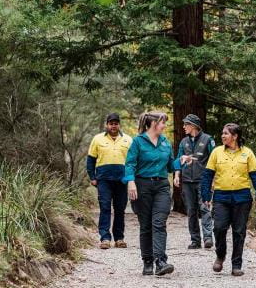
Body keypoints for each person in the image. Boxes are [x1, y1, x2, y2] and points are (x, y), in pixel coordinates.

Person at [201, 123, 256, 276]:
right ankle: (220, 255)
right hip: (221, 196)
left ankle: (236, 264)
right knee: (219, 228)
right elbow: (208, 175)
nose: (223, 136)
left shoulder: (247, 153)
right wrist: (206, 195)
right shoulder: (216, 152)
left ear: (235, 136)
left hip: (242, 197)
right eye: (222, 133)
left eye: (226, 133)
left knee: (239, 231)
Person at [123, 111, 175, 276]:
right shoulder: (138, 142)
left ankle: (160, 261)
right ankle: (147, 260)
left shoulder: (165, 142)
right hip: (142, 185)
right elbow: (130, 163)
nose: (164, 125)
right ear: (153, 123)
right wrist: (131, 182)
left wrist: (181, 163)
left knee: (159, 222)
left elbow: (170, 165)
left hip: (161, 186)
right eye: (162, 122)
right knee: (146, 225)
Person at [86, 113, 132, 250]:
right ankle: (105, 238)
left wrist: (131, 178)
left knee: (120, 209)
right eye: (111, 123)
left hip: (122, 180)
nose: (113, 126)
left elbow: (132, 161)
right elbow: (91, 160)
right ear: (107, 124)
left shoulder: (128, 140)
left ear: (119, 125)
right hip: (103, 180)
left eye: (116, 123)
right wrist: (92, 177)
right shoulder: (97, 139)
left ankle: (119, 238)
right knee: (105, 207)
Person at [172, 114, 215, 249]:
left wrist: (213, 179)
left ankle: (208, 238)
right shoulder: (183, 142)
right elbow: (179, 159)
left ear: (193, 126)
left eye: (186, 124)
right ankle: (195, 240)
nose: (184, 127)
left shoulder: (208, 140)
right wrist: (177, 175)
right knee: (191, 211)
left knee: (205, 208)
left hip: (203, 180)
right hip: (187, 181)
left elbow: (215, 159)